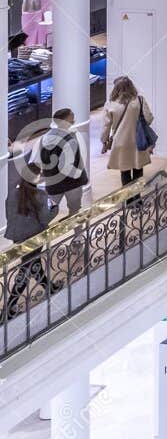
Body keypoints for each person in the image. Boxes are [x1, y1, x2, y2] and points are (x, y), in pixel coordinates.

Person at [4, 163, 55, 315]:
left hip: (17, 236)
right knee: (27, 268)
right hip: (34, 236)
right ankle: (8, 308)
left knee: (33, 263)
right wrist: (55, 207)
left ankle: (49, 287)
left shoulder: (13, 193)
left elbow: (9, 215)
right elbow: (46, 218)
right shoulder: (40, 195)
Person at [102, 76, 155, 186]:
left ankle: (128, 201)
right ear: (131, 86)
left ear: (116, 88)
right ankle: (137, 200)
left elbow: (106, 126)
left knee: (125, 172)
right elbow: (149, 119)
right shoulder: (140, 100)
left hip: (120, 143)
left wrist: (104, 140)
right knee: (138, 170)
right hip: (138, 141)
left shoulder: (110, 104)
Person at [37, 107, 88, 216]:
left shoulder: (45, 137)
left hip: (52, 183)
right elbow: (65, 167)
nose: (73, 121)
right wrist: (79, 174)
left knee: (48, 212)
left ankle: (43, 232)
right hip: (72, 185)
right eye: (72, 120)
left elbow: (40, 159)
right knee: (75, 213)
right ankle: (78, 234)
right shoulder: (69, 140)